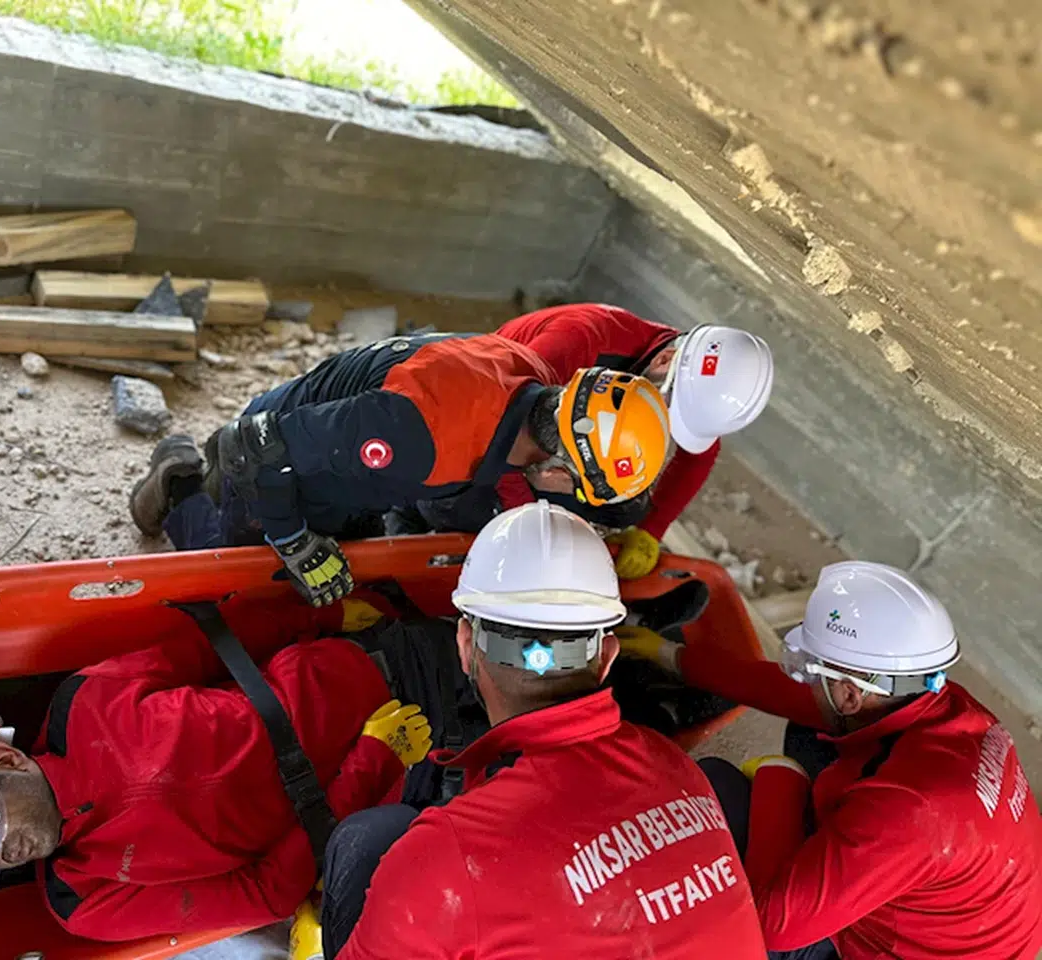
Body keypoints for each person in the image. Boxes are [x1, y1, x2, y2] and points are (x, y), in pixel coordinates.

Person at [308, 501, 768, 959]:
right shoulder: (671, 762)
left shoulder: (448, 856)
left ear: (465, 645)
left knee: (365, 840)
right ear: (607, 656)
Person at [0, 597, 433, 943]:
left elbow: (213, 644)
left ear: (4, 760)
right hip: (401, 780)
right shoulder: (83, 901)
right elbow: (269, 893)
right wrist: (370, 764)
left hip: (364, 662)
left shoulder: (84, 702)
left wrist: (323, 612)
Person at [620, 560, 1042, 959]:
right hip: (963, 919)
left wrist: (781, 779)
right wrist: (674, 658)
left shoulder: (911, 809)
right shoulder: (948, 708)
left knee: (715, 791)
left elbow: (772, 923)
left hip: (893, 946)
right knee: (812, 732)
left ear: (851, 693)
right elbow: (804, 699)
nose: (804, 679)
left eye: (811, 671)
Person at [128, 330, 671, 606]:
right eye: (575, 492)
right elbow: (254, 444)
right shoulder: (421, 434)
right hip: (269, 459)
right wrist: (293, 542)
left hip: (343, 452)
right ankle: (178, 482)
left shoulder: (531, 378)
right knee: (235, 568)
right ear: (556, 472)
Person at [494, 304, 774, 579]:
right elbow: (496, 429)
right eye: (665, 413)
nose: (660, 428)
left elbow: (698, 457)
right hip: (491, 409)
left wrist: (650, 530)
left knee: (617, 503)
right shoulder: (577, 342)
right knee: (487, 505)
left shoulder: (680, 383)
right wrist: (524, 523)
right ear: (664, 361)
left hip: (536, 425)